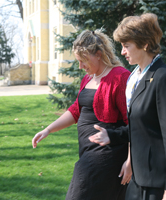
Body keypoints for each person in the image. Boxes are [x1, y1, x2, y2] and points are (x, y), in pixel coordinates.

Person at [89, 13, 166, 200]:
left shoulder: (163, 78)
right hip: (138, 178)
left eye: (127, 46)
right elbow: (141, 127)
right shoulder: (135, 78)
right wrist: (112, 135)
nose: (123, 52)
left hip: (158, 182)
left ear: (145, 44)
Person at [32, 30, 132, 200]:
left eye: (83, 60)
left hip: (107, 155)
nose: (80, 66)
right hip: (87, 152)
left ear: (98, 55)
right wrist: (48, 130)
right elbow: (76, 110)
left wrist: (130, 161)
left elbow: (132, 123)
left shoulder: (120, 77)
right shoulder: (88, 78)